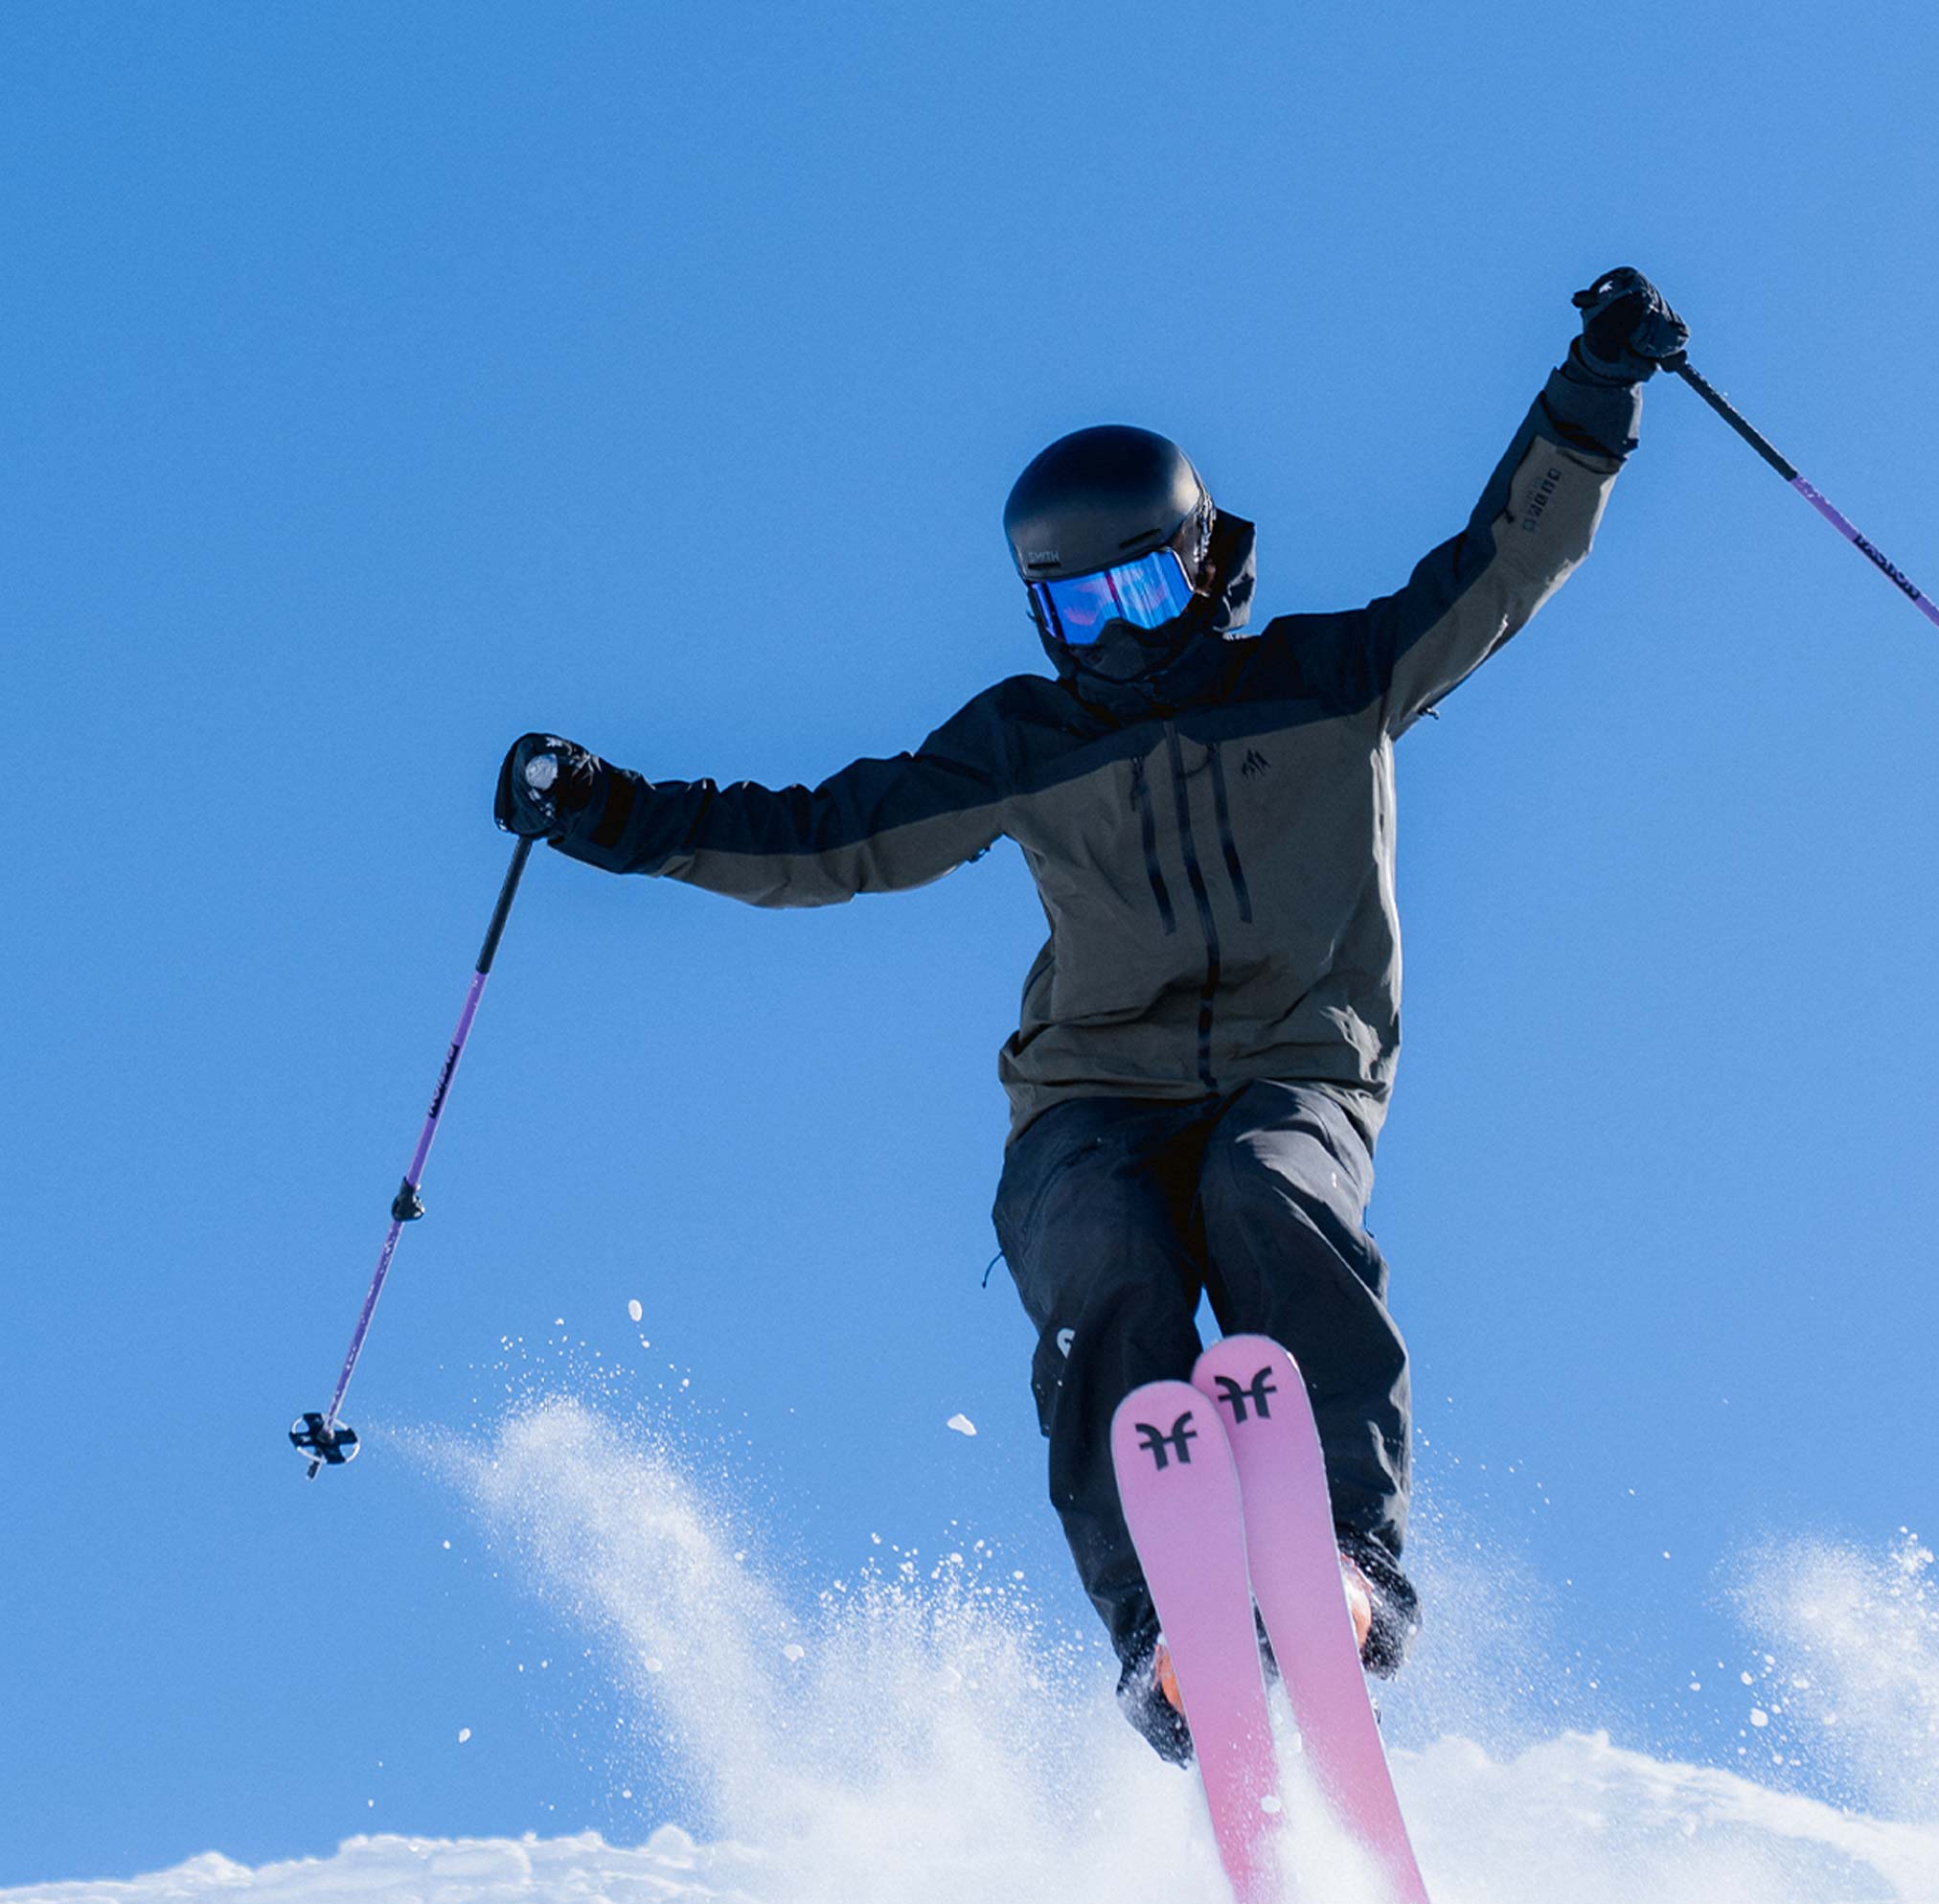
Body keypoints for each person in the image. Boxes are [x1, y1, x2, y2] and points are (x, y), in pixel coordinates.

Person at [494, 267, 1688, 1763]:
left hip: (1292, 1069)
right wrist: (619, 815)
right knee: (1103, 1263)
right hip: (1092, 1099)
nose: (1118, 639)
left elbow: (1504, 565)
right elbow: (825, 837)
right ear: (1040, 614)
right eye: (1079, 607)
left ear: (1204, 563)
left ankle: (1350, 1565)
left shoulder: (1335, 679)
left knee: (1271, 1202)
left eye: (1141, 591)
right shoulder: (1024, 743)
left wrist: (1595, 390)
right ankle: (1164, 1634)